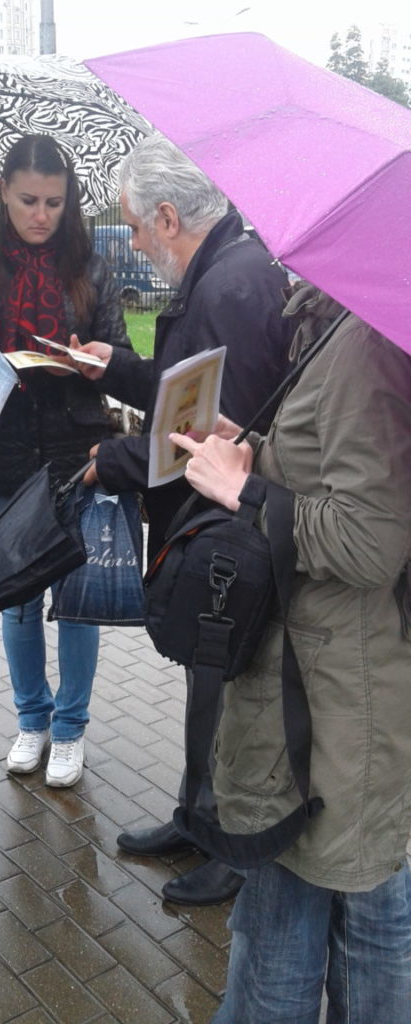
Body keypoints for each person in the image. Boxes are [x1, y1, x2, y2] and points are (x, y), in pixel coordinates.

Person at [169, 283, 411, 1024]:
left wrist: (245, 492)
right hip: (329, 681)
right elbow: (332, 467)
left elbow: (370, 542)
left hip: (333, 692)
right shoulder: (339, 323)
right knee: (344, 894)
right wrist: (259, 455)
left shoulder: (364, 344)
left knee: (315, 915)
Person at [72, 134, 292, 906]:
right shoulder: (222, 272)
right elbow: (185, 394)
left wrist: (115, 460)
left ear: (167, 217)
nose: (133, 243)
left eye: (135, 227)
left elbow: (217, 435)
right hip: (205, 529)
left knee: (229, 691)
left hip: (226, 538)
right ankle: (196, 818)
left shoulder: (233, 286)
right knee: (208, 682)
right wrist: (115, 368)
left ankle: (230, 843)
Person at [0, 134, 132, 788]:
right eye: (28, 200)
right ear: (3, 193)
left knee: (76, 598)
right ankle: (32, 718)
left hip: (75, 452)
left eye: (54, 202)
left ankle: (71, 727)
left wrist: (90, 361)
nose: (41, 214)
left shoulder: (89, 268)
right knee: (18, 600)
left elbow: (119, 356)